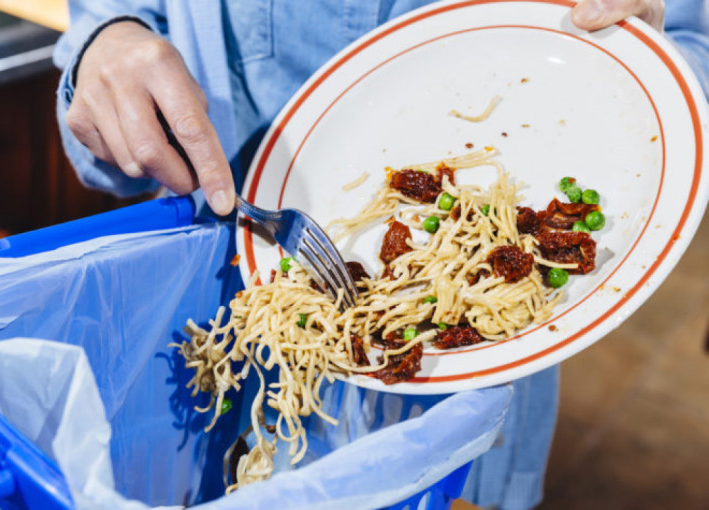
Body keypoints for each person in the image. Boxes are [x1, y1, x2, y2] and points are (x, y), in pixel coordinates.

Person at [53, 1, 709, 508]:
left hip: (469, 414)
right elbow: (101, 71)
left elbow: (691, 49)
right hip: (234, 353)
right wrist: (105, 45)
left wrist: (641, 51)